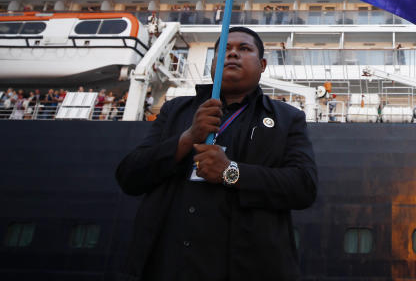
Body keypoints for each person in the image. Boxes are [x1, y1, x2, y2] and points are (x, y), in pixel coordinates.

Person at [115, 26, 317, 280]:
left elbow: (304, 187)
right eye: (224, 49)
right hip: (168, 266)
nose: (231, 54)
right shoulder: (174, 111)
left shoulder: (288, 118)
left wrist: (231, 172)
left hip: (249, 269)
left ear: (262, 64)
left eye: (243, 49)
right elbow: (129, 176)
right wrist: (186, 139)